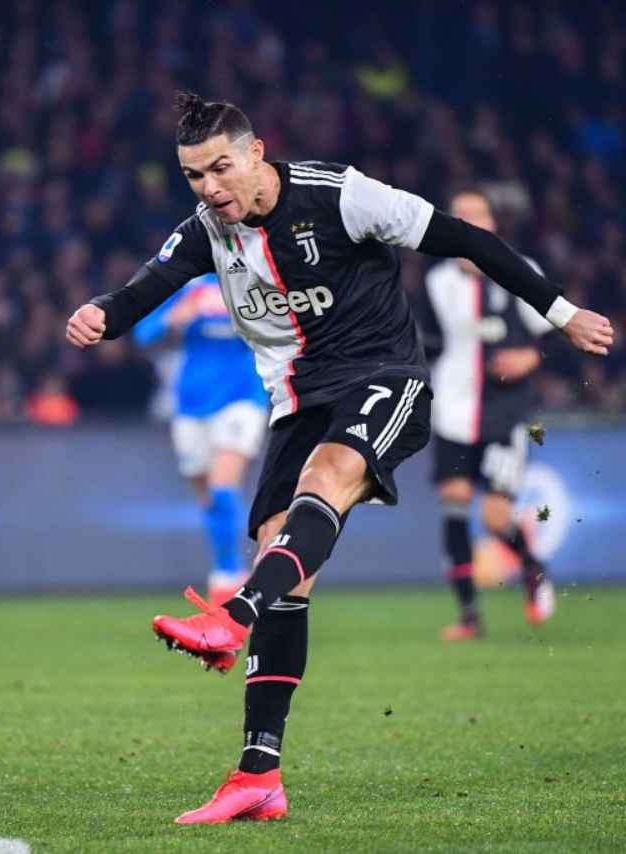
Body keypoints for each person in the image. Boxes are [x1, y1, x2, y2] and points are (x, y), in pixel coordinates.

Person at [65, 94, 613, 825]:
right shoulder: (208, 229)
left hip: (385, 379)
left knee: (323, 483)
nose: (209, 187)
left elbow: (467, 240)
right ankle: (258, 774)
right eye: (194, 175)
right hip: (298, 404)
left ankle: (233, 615)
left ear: (256, 151)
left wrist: (562, 312)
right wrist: (100, 313)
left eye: (219, 168)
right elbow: (145, 289)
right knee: (282, 563)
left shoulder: (344, 197)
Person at [417, 189, 555, 640]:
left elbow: (553, 335)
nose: (469, 222)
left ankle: (533, 568)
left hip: (505, 414)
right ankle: (469, 616)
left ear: (494, 222)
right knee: (454, 506)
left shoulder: (521, 271)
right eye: (460, 216)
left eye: (477, 215)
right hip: (452, 412)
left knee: (496, 518)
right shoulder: (436, 281)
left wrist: (528, 360)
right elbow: (426, 342)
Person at [133, 272, 268, 603]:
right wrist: (174, 319)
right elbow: (143, 333)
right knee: (208, 496)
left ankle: (227, 573)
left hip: (241, 398)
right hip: (191, 404)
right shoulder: (188, 284)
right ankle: (230, 566)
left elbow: (278, 331)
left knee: (224, 488)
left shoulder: (254, 276)